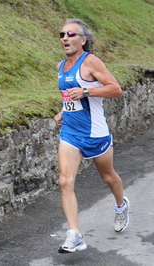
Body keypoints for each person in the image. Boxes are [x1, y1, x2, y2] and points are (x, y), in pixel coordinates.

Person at [54, 18, 129, 253]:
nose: (65, 38)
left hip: (95, 133)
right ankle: (74, 234)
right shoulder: (60, 67)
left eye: (71, 34)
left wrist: (86, 90)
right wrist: (63, 111)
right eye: (62, 34)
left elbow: (116, 89)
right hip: (71, 133)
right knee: (65, 180)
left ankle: (121, 205)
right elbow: (69, 96)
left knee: (108, 177)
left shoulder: (91, 62)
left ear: (83, 40)